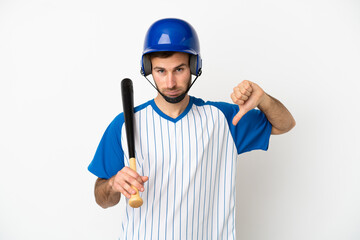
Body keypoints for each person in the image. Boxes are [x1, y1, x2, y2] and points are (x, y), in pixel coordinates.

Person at [88, 18, 295, 239]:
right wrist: (112, 184)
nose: (170, 82)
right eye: (160, 71)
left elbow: (285, 124)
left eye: (179, 69)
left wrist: (262, 99)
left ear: (194, 67)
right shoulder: (124, 124)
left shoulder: (223, 119)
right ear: (148, 70)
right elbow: (102, 199)